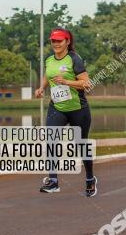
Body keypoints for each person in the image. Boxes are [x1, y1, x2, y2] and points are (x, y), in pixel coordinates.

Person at [35, 27, 97, 197]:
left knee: (81, 145)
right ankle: (53, 181)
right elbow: (48, 75)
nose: (55, 44)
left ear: (67, 42)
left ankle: (90, 179)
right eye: (53, 41)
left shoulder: (74, 59)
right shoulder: (49, 60)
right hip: (57, 107)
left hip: (78, 109)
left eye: (59, 41)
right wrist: (41, 88)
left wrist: (67, 82)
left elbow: (86, 83)